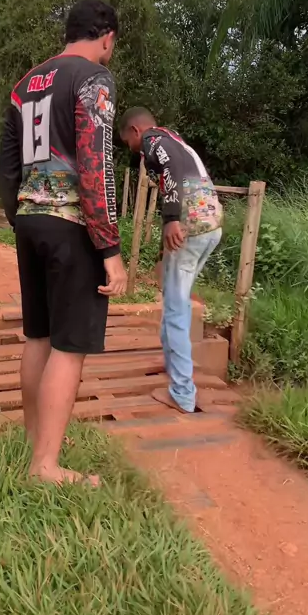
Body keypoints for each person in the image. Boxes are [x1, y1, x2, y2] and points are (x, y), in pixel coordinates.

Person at [0, 0, 127, 485]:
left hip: (30, 219)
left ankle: (38, 441)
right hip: (72, 226)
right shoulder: (93, 78)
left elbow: (7, 162)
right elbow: (95, 164)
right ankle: (45, 466)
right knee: (69, 346)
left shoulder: (26, 83)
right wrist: (109, 248)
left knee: (39, 337)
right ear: (107, 38)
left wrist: (20, 216)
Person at [119, 108, 222, 414]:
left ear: (136, 131)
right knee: (177, 300)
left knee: (176, 309)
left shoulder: (154, 140)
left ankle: (182, 393)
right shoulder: (176, 140)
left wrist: (171, 219)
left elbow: (171, 168)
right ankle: (174, 367)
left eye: (127, 141)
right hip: (210, 227)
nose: (130, 148)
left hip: (189, 227)